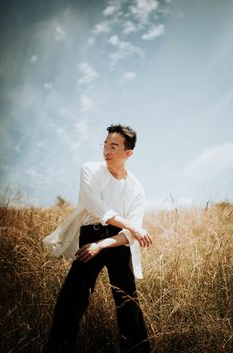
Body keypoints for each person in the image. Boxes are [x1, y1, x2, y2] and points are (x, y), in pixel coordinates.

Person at [43, 124, 153, 353]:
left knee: (127, 302)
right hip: (91, 232)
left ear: (128, 153)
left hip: (114, 242)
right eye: (105, 144)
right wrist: (131, 225)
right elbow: (95, 206)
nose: (107, 150)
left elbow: (128, 237)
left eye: (114, 146)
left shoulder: (136, 188)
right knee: (73, 298)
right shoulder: (89, 169)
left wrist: (102, 245)